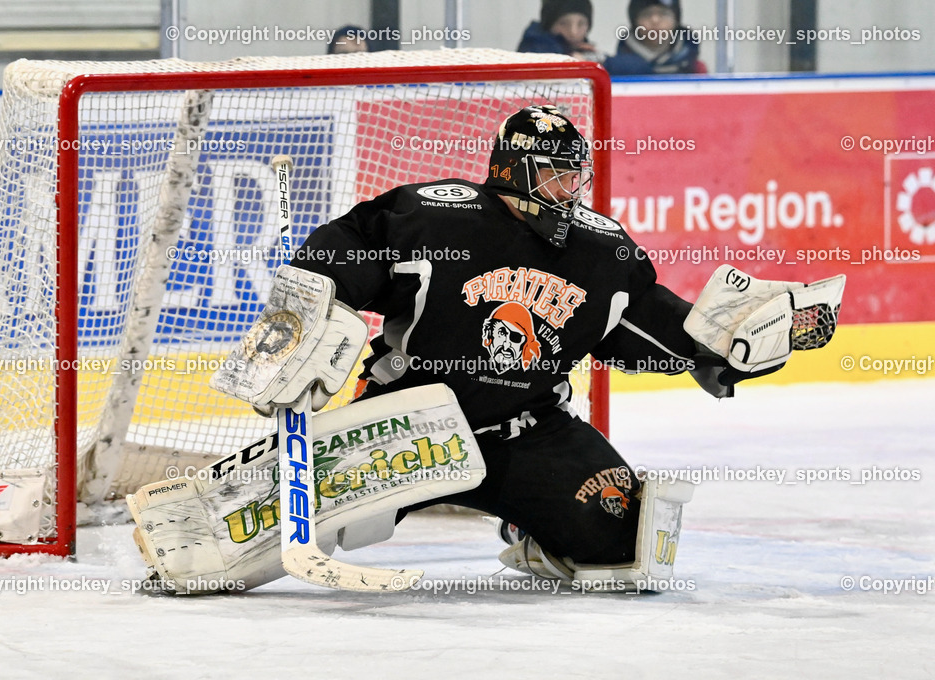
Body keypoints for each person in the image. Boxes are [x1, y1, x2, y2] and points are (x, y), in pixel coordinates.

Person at [289, 104, 748, 572]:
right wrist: (305, 312)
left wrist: (722, 347)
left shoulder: (600, 251)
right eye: (554, 175)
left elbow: (650, 323)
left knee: (623, 542)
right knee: (288, 523)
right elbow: (341, 254)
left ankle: (526, 526)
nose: (567, 192)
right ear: (512, 170)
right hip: (406, 426)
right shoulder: (434, 218)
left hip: (528, 434)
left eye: (575, 177)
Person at [604, 0, 708, 75]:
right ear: (635, 22)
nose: (655, 21)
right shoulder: (617, 68)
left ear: (676, 20)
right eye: (646, 14)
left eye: (664, 14)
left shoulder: (696, 69)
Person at [517, 0, 605, 61]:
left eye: (581, 24)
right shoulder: (533, 44)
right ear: (549, 25)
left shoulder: (584, 49)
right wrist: (571, 58)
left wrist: (594, 58)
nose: (573, 32)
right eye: (563, 23)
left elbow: (616, 65)